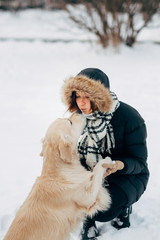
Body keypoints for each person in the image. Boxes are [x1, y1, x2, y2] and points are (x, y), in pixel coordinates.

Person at [61, 68, 149, 240]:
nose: (82, 103)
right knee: (66, 199)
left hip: (127, 176)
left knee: (102, 209)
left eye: (88, 97)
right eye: (78, 96)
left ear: (100, 96)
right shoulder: (78, 118)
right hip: (89, 174)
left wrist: (118, 165)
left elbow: (140, 162)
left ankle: (123, 208)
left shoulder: (129, 117)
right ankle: (87, 220)